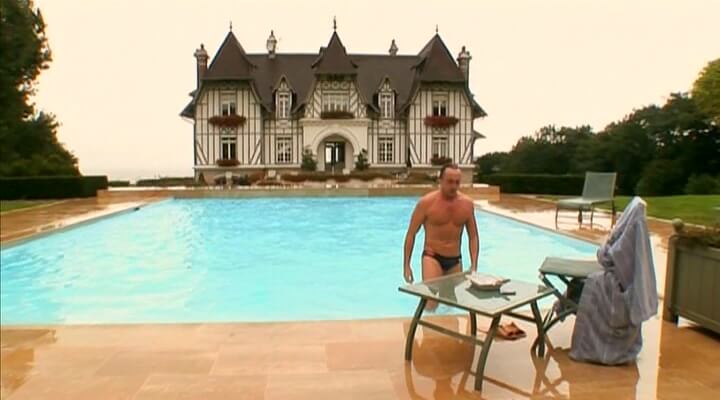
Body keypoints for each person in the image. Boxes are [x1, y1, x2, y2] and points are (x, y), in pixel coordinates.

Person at [402, 163, 479, 310]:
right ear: (440, 180)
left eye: (457, 182)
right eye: (450, 182)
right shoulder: (426, 203)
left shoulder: (467, 205)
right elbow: (411, 234)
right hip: (432, 256)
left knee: (451, 304)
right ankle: (425, 321)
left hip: (455, 260)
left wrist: (474, 264)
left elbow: (473, 236)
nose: (453, 186)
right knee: (431, 303)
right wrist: (406, 265)